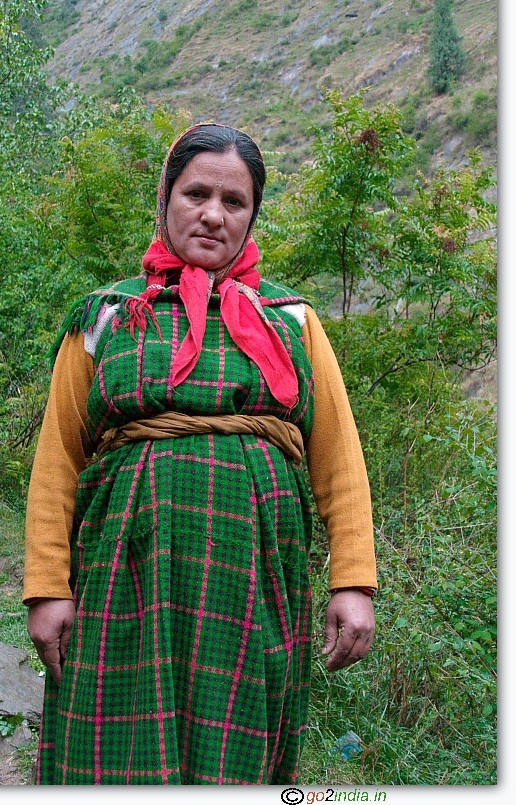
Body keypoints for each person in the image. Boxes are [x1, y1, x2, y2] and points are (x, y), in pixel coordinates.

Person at [23, 123, 377, 786]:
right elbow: (56, 463)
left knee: (235, 756)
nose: (213, 214)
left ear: (252, 215)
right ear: (165, 198)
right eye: (197, 193)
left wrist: (353, 581)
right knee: (111, 750)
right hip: (123, 579)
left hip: (254, 581)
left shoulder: (291, 321)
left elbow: (340, 460)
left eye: (234, 201)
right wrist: (47, 588)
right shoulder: (106, 317)